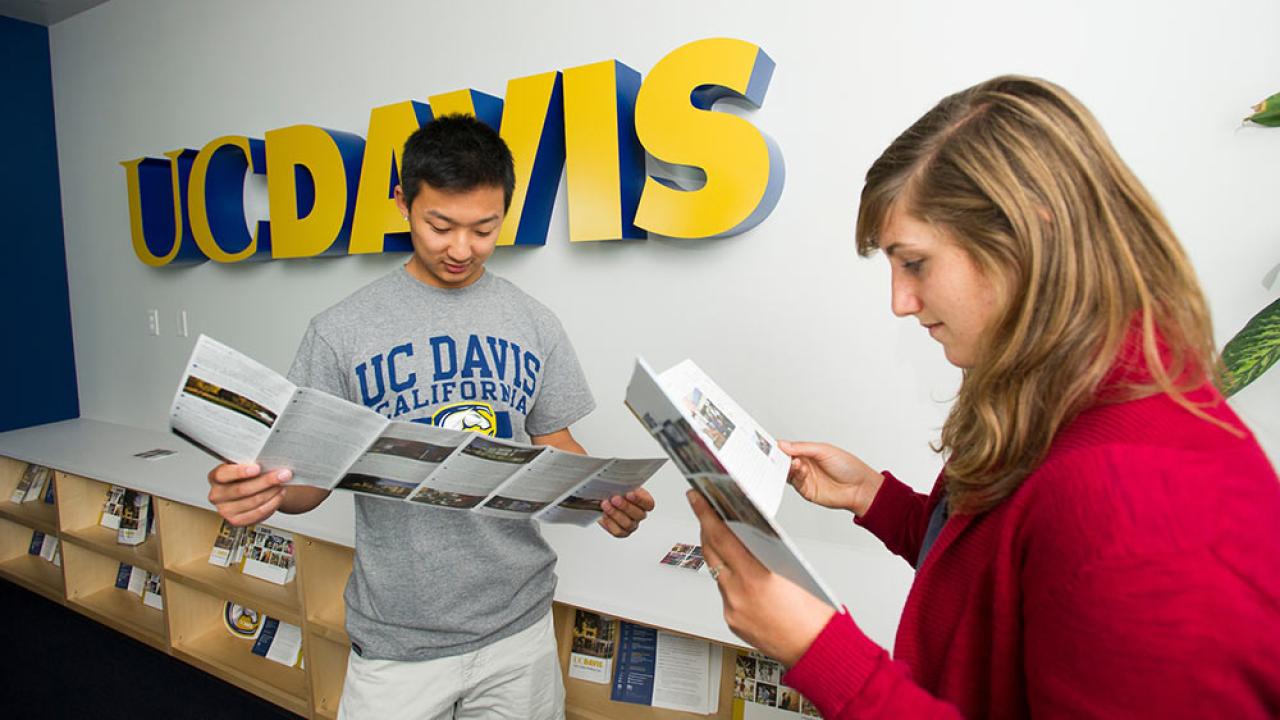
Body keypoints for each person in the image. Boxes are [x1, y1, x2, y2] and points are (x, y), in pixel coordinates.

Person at [688, 75, 1280, 718]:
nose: (899, 302)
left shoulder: (1135, 494)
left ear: (1029, 239)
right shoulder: (1061, 394)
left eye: (914, 263)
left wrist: (820, 653)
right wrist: (876, 501)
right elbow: (1007, 581)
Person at [206, 114, 655, 720]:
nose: (461, 249)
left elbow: (555, 441)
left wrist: (605, 496)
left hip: (518, 628)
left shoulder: (534, 321)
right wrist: (262, 493)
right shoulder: (340, 331)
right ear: (403, 203)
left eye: (484, 229)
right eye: (439, 225)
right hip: (398, 640)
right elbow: (307, 483)